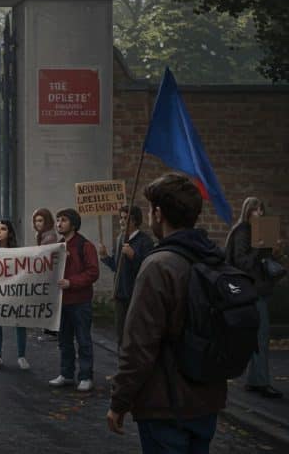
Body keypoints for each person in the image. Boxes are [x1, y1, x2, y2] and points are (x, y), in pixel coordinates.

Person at [108, 173, 229, 452]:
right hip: (207, 400)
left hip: (165, 405)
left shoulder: (158, 266)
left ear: (158, 214)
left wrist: (119, 401)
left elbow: (138, 345)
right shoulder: (213, 257)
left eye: (151, 210)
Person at [226, 197, 286, 399]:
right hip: (250, 292)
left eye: (261, 210)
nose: (259, 214)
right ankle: (260, 382)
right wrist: (259, 247)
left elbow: (264, 262)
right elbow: (242, 263)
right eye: (255, 210)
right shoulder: (242, 231)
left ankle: (255, 380)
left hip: (260, 290)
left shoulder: (256, 231)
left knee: (258, 336)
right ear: (247, 212)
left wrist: (275, 250)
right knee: (260, 336)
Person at [48, 208, 99, 392]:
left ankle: (85, 376)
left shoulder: (85, 246)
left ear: (73, 224)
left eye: (63, 220)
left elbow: (93, 272)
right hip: (63, 301)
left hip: (80, 301)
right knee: (64, 340)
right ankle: (67, 374)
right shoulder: (59, 246)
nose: (59, 224)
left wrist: (72, 282)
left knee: (83, 339)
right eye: (57, 220)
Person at [98, 205, 153, 349]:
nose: (122, 221)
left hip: (136, 294)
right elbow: (117, 267)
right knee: (121, 334)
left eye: (126, 218)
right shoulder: (120, 239)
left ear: (135, 221)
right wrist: (104, 257)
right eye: (121, 218)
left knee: (136, 333)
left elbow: (147, 269)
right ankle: (122, 366)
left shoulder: (145, 241)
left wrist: (133, 255)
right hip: (121, 293)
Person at [0, 219, 29, 371]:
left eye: (3, 229)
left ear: (9, 232)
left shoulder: (17, 252)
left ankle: (21, 356)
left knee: (19, 322)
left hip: (14, 292)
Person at [33, 208, 61, 342]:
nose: (37, 223)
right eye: (36, 221)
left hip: (50, 275)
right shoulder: (42, 235)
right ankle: (51, 329)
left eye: (40, 220)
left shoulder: (49, 237)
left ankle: (52, 330)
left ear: (47, 221)